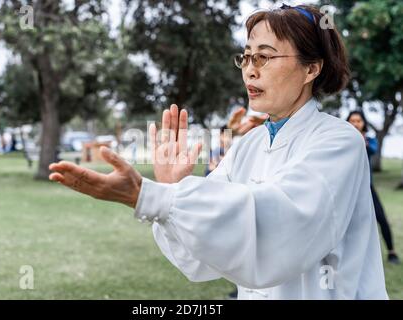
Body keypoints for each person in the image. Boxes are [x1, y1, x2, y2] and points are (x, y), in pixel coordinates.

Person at [49, 4, 388, 299]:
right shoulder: (248, 146)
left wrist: (150, 197)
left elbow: (278, 226)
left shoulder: (339, 141)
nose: (250, 69)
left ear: (311, 69)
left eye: (265, 57)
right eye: (247, 56)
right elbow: (206, 257)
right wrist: (173, 187)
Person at [347, 110, 400, 265]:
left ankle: (391, 252)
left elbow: (372, 150)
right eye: (352, 120)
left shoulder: (370, 140)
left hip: (367, 186)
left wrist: (361, 139)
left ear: (363, 123)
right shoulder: (342, 139)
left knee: (381, 218)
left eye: (358, 121)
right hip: (348, 187)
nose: (355, 124)